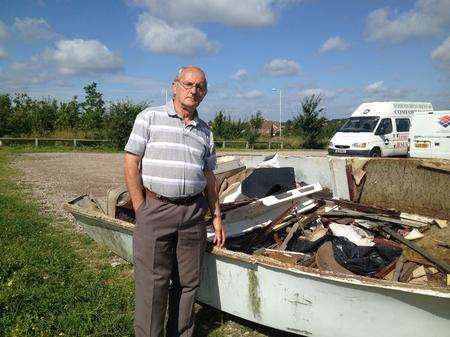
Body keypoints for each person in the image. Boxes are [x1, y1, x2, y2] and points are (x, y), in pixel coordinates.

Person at [124, 66, 225, 337]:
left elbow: (209, 176)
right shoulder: (149, 117)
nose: (194, 90)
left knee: (188, 284)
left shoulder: (205, 131)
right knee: (152, 285)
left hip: (193, 213)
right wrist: (141, 208)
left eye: (201, 86)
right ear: (175, 86)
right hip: (156, 210)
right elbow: (131, 162)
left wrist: (216, 215)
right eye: (189, 84)